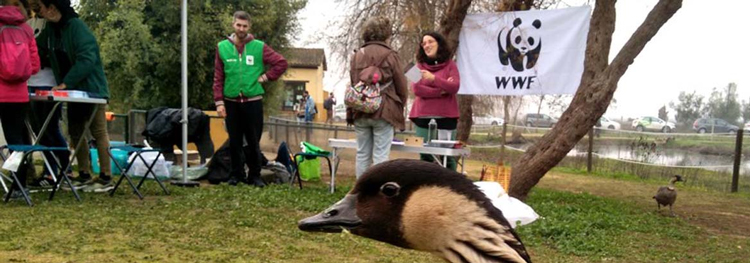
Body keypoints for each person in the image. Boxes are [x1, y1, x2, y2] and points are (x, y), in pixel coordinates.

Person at [38, 0, 113, 192]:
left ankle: (106, 176)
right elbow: (37, 48)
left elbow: (87, 59)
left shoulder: (77, 27)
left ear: (53, 8)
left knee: (98, 131)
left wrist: (65, 83)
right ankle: (84, 174)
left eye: (42, 7)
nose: (41, 11)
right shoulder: (50, 31)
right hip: (72, 92)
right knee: (76, 131)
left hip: (91, 89)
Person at [212, 10, 288, 187]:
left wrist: (266, 77)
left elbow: (281, 63)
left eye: (244, 26)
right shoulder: (222, 47)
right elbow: (218, 76)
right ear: (233, 25)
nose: (241, 29)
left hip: (253, 101)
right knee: (235, 141)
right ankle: (236, 175)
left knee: (253, 141)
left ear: (249, 27)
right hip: (231, 102)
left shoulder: (259, 46)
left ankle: (255, 176)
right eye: (238, 25)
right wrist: (219, 102)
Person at [347, 16, 408, 179]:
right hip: (384, 111)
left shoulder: (356, 55)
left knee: (362, 154)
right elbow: (401, 86)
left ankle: (360, 194)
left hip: (360, 111)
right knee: (381, 156)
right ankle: (377, 197)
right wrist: (400, 105)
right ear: (385, 34)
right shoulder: (390, 55)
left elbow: (354, 84)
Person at [26, 2, 70, 187]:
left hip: (50, 82)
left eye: (38, 5)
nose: (37, 9)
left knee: (50, 127)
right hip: (29, 82)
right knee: (38, 129)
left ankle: (64, 167)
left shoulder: (52, 26)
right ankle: (51, 169)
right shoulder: (28, 24)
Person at [0, 3, 40, 199]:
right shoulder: (26, 29)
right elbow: (35, 66)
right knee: (17, 141)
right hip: (19, 95)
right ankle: (19, 186)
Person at [408, 31, 460, 171]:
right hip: (423, 117)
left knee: (446, 157)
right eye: (424, 43)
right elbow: (417, 90)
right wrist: (442, 90)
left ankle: (451, 188)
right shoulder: (416, 67)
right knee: (426, 156)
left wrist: (433, 79)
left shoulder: (451, 65)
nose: (427, 45)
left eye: (430, 42)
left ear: (439, 44)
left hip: (446, 118)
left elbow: (454, 87)